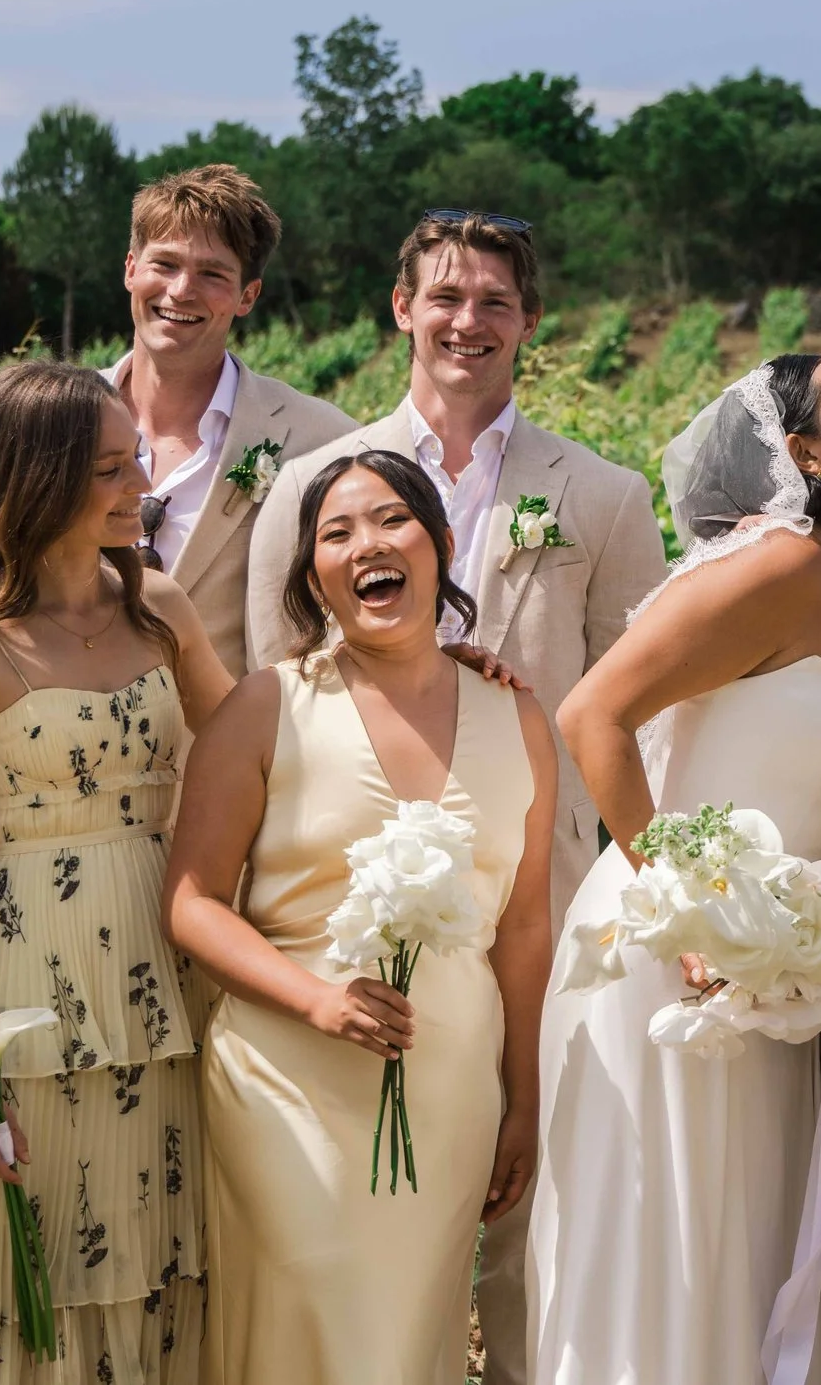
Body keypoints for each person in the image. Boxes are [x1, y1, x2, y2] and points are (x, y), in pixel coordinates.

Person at [243, 209, 662, 1379]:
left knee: (533, 1211)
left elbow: (641, 706)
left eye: (492, 301)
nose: (465, 320)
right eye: (445, 296)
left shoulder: (604, 496)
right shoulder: (308, 488)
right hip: (340, 925)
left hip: (538, 906)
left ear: (528, 321)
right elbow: (274, 694)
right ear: (401, 308)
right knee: (353, 1239)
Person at [528, 354, 821, 1385]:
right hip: (672, 954)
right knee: (674, 1242)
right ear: (807, 452)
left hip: (770, 963)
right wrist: (690, 909)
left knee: (746, 1245)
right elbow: (592, 715)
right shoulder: (774, 566)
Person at [167, 451, 557, 1385]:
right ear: (312, 579)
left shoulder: (519, 715)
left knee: (403, 1344)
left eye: (390, 521)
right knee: (315, 1313)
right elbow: (189, 900)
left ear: (442, 544)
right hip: (285, 1087)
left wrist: (523, 1099)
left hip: (450, 1091)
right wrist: (315, 1001)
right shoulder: (269, 706)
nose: (366, 546)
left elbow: (525, 926)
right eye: (335, 534)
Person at [0, 362, 235, 1377]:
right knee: (27, 1239)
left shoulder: (158, 604)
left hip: (163, 966)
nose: (139, 483)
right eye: (109, 467)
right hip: (27, 987)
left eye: (136, 459)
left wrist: (420, 670)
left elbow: (258, 743)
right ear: (35, 479)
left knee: (155, 1236)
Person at [106, 164, 355, 677]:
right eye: (165, 264)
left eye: (212, 274)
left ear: (248, 296)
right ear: (131, 268)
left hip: (236, 748)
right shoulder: (52, 424)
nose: (181, 291)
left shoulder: (324, 442)